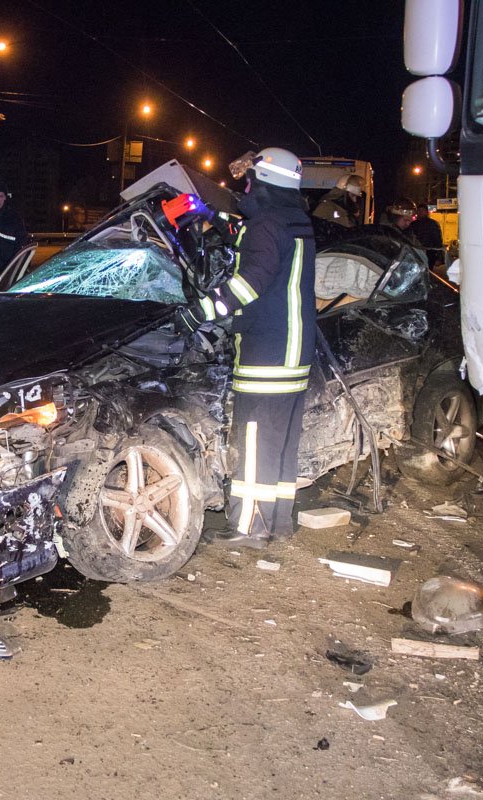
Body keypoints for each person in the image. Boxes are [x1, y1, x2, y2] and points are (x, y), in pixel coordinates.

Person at [188, 148, 317, 549]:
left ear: (264, 183)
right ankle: (277, 521)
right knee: (281, 442)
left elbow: (250, 282)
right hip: (296, 350)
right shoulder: (294, 220)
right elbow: (261, 246)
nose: (245, 188)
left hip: (268, 351)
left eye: (250, 181)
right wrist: (216, 220)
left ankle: (248, 526)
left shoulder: (266, 224)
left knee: (256, 438)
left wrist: (202, 311)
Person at [409, 203, 445, 268]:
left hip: (429, 253)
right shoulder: (413, 224)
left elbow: (438, 240)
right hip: (416, 252)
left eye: (422, 210)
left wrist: (439, 256)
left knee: (427, 270)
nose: (420, 212)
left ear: (426, 212)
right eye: (419, 210)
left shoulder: (433, 224)